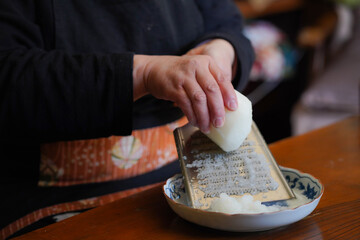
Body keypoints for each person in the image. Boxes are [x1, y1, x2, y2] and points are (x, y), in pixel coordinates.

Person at [0, 0, 254, 238]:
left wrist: (220, 48)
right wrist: (143, 73)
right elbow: (10, 78)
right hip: (60, 195)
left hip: (188, 174)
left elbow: (225, 21)